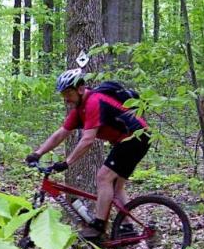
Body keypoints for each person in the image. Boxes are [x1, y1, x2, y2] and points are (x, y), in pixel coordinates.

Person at [25, 68, 150, 240]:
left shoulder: (94, 102)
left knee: (103, 177)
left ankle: (98, 226)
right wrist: (37, 153)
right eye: (64, 95)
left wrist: (67, 163)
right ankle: (128, 227)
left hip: (136, 137)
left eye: (68, 93)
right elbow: (61, 133)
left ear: (81, 89)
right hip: (129, 139)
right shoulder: (79, 109)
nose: (66, 99)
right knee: (115, 186)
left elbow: (88, 140)